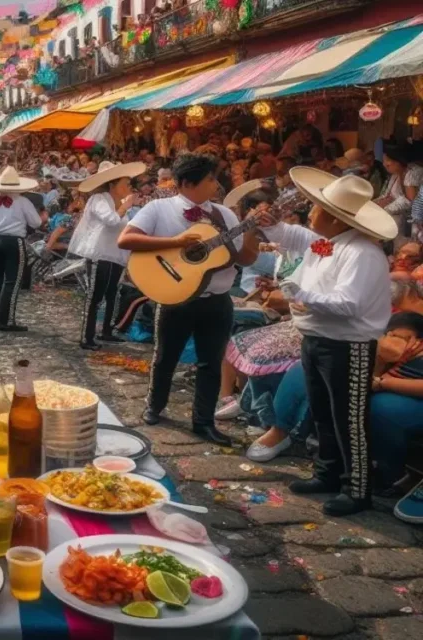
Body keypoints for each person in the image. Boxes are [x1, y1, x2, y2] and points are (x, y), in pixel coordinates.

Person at [258, 170, 397, 516]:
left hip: (348, 345)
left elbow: (350, 304)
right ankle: (328, 473)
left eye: (316, 209)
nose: (310, 213)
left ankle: (357, 488)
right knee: (323, 413)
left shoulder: (362, 253)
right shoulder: (329, 244)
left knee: (348, 418)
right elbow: (293, 238)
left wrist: (299, 294)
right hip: (318, 339)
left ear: (334, 217)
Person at [119, 153, 261, 446]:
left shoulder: (226, 215)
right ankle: (154, 405)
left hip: (218, 300)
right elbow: (126, 240)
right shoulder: (159, 208)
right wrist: (176, 243)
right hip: (175, 297)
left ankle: (204, 421)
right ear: (186, 183)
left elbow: (244, 259)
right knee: (165, 356)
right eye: (210, 179)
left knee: (210, 361)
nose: (216, 184)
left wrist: (253, 232)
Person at [72, 161, 145, 349]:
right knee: (95, 296)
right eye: (126, 184)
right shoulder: (99, 199)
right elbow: (112, 221)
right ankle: (86, 337)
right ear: (113, 184)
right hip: (100, 254)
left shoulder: (119, 203)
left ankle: (106, 331)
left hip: (116, 256)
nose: (129, 188)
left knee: (113, 294)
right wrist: (126, 206)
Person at [0, 167, 44, 332]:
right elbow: (36, 223)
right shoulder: (22, 201)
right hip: (13, 241)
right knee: (12, 281)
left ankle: (1, 315)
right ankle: (5, 319)